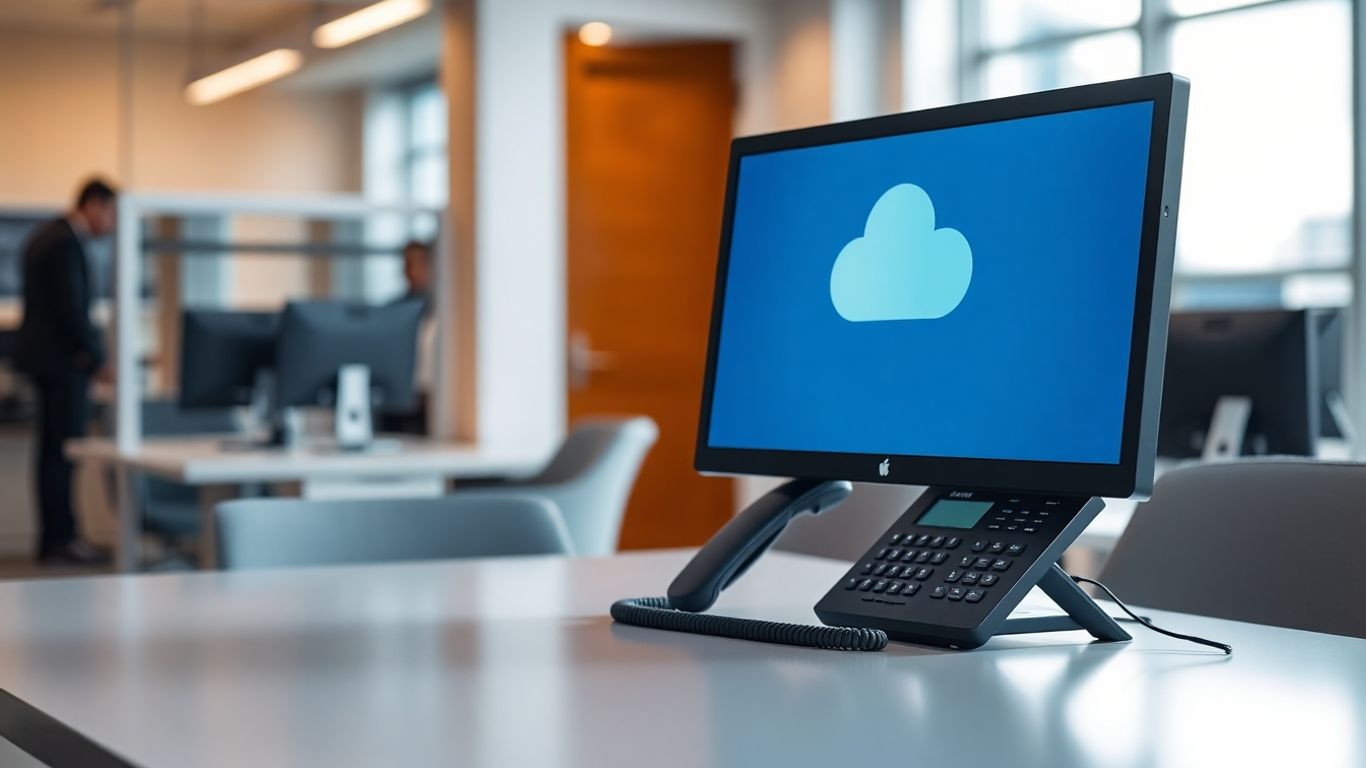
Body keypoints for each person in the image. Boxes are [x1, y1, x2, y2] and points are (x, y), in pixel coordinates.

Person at [15, 179, 117, 565]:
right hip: (62, 366)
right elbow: (71, 310)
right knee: (63, 454)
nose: (109, 226)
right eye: (109, 214)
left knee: (53, 454)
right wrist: (98, 359)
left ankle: (57, 538)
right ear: (94, 204)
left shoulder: (47, 236)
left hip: (49, 363)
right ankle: (62, 540)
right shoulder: (63, 242)